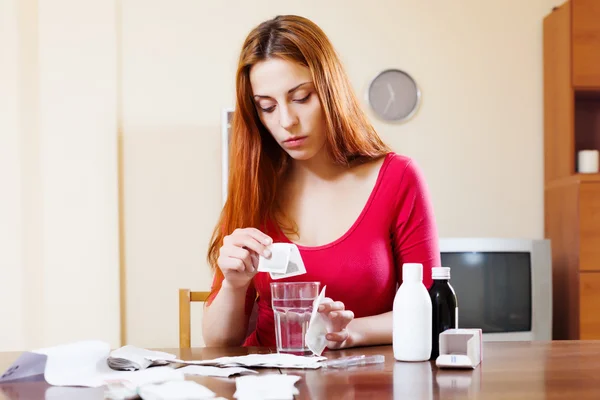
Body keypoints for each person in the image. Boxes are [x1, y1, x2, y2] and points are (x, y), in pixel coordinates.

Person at [202, 15, 440, 349]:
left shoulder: (398, 177)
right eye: (267, 107)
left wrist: (349, 331)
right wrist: (234, 285)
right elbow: (217, 342)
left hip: (372, 383)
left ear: (331, 90)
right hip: (271, 386)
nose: (286, 121)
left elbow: (429, 309)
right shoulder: (256, 185)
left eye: (301, 97)